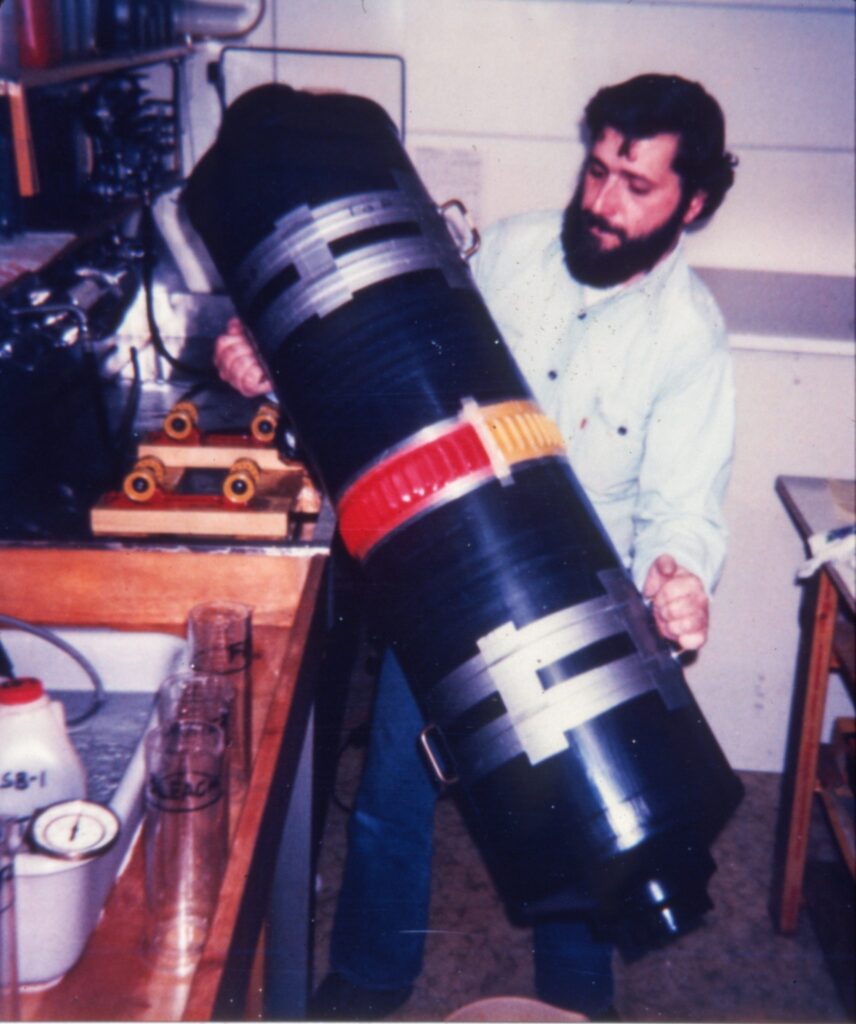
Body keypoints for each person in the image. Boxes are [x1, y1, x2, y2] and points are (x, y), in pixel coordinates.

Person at [214, 72, 737, 1020]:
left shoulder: (689, 336)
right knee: (391, 795)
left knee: (590, 807)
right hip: (444, 575)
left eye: (636, 185)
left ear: (691, 203)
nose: (602, 202)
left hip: (584, 602)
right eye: (598, 170)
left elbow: (683, 507)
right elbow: (370, 369)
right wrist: (268, 359)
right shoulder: (515, 253)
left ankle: (575, 999)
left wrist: (682, 576)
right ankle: (373, 970)